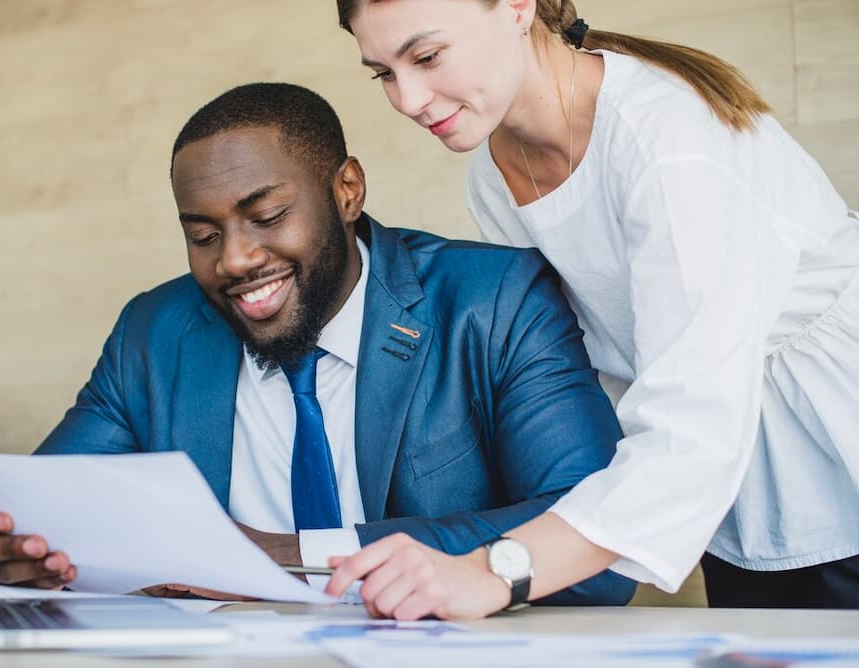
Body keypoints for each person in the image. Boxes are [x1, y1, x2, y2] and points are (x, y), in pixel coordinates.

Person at [0, 82, 635, 605]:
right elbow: (54, 514)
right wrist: (16, 556)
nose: (235, 260)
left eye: (268, 216)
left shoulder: (493, 301)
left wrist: (279, 555)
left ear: (346, 190)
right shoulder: (153, 335)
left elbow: (600, 537)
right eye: (203, 235)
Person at [328, 0, 859, 616]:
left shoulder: (667, 141)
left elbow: (694, 423)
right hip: (727, 474)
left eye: (426, 57)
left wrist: (492, 571)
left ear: (518, 9)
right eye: (384, 72)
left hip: (832, 429)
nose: (409, 99)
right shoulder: (494, 176)